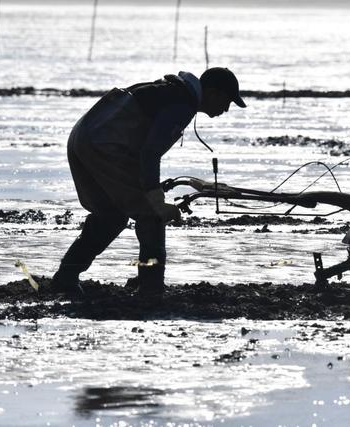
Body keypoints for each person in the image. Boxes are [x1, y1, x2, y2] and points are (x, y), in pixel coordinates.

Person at [49, 67, 246, 297]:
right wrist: (154, 197)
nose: (226, 108)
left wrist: (149, 188)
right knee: (151, 215)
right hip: (105, 146)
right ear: (212, 92)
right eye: (226, 101)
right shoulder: (182, 104)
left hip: (83, 138)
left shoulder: (169, 91)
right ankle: (151, 286)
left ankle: (66, 276)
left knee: (110, 215)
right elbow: (150, 153)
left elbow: (140, 148)